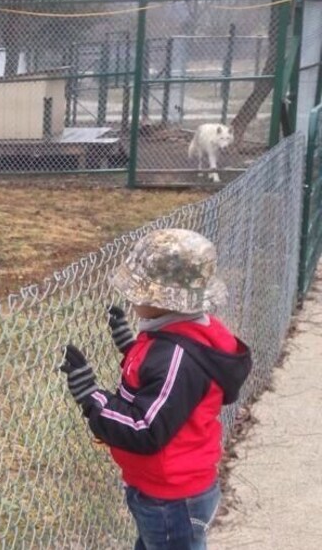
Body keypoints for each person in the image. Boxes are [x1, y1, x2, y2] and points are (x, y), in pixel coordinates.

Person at [59, 228, 252, 550]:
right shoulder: (185, 335)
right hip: (167, 488)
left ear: (163, 300)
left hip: (172, 498)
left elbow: (146, 427)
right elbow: (162, 388)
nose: (132, 297)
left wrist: (91, 396)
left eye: (139, 291)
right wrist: (131, 348)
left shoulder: (177, 356)